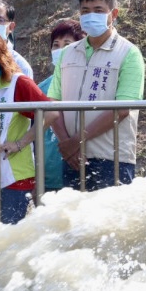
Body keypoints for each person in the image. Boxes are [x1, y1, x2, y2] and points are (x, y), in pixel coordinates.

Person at [47, 0, 146, 190]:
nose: (91, 15)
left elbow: (123, 108)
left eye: (98, 10)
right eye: (85, 11)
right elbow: (53, 102)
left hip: (111, 158)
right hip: (73, 158)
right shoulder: (68, 53)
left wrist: (77, 140)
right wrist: (67, 143)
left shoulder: (129, 53)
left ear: (114, 14)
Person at [0, 31, 58, 224]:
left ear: (1, 59)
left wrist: (20, 143)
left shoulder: (19, 83)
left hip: (14, 175)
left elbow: (51, 113)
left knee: (9, 239)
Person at [37, 18, 84, 193]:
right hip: (48, 175)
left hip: (79, 166)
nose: (60, 50)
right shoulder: (41, 88)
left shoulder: (86, 84)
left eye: (67, 44)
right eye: (55, 45)